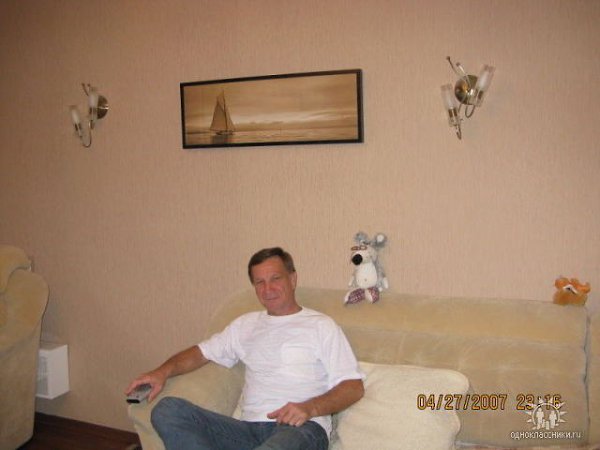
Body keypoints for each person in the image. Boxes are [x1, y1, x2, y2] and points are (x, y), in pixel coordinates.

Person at [126, 247, 365, 450]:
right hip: (246, 431)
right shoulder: (245, 325)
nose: (267, 288)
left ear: (292, 279)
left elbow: (353, 387)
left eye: (275, 278)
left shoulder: (320, 326)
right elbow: (201, 353)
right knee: (168, 410)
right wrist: (162, 372)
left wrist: (309, 408)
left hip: (301, 430)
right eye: (259, 282)